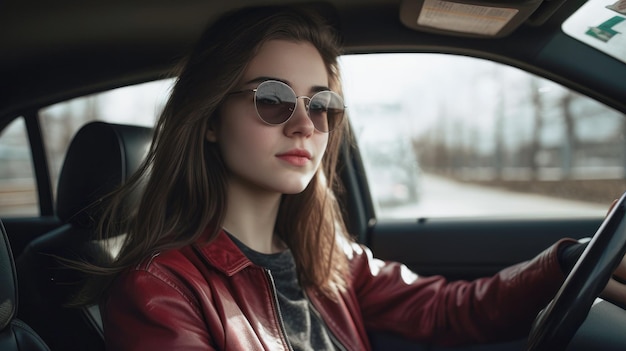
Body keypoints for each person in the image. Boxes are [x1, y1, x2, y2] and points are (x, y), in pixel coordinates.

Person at [74, 4, 626, 351]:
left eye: (323, 104)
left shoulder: (327, 254)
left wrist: (566, 264)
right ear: (213, 118)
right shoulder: (159, 289)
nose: (304, 124)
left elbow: (448, 311)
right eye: (272, 98)